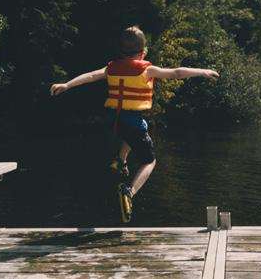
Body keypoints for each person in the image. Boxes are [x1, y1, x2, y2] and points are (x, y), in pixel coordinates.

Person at [49, 26, 219, 222]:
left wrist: (66, 85)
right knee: (149, 161)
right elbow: (177, 73)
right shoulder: (147, 70)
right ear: (143, 51)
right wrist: (203, 71)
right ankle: (130, 192)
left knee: (140, 127)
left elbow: (90, 76)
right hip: (132, 123)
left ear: (121, 51)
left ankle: (120, 160)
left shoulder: (111, 67)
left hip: (117, 122)